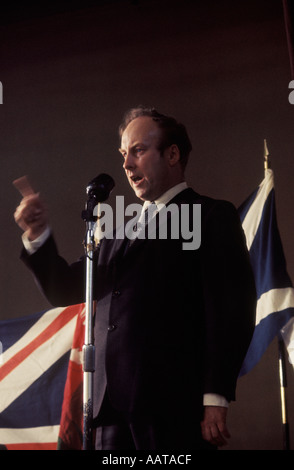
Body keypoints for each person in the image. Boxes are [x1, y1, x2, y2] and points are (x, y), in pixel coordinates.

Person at [14, 106, 256, 450]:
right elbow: (65, 288)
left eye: (138, 151)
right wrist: (37, 234)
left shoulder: (211, 216)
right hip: (107, 409)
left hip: (172, 407)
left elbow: (231, 312)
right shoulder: (116, 233)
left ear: (172, 154)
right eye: (124, 154)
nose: (127, 164)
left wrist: (215, 395)